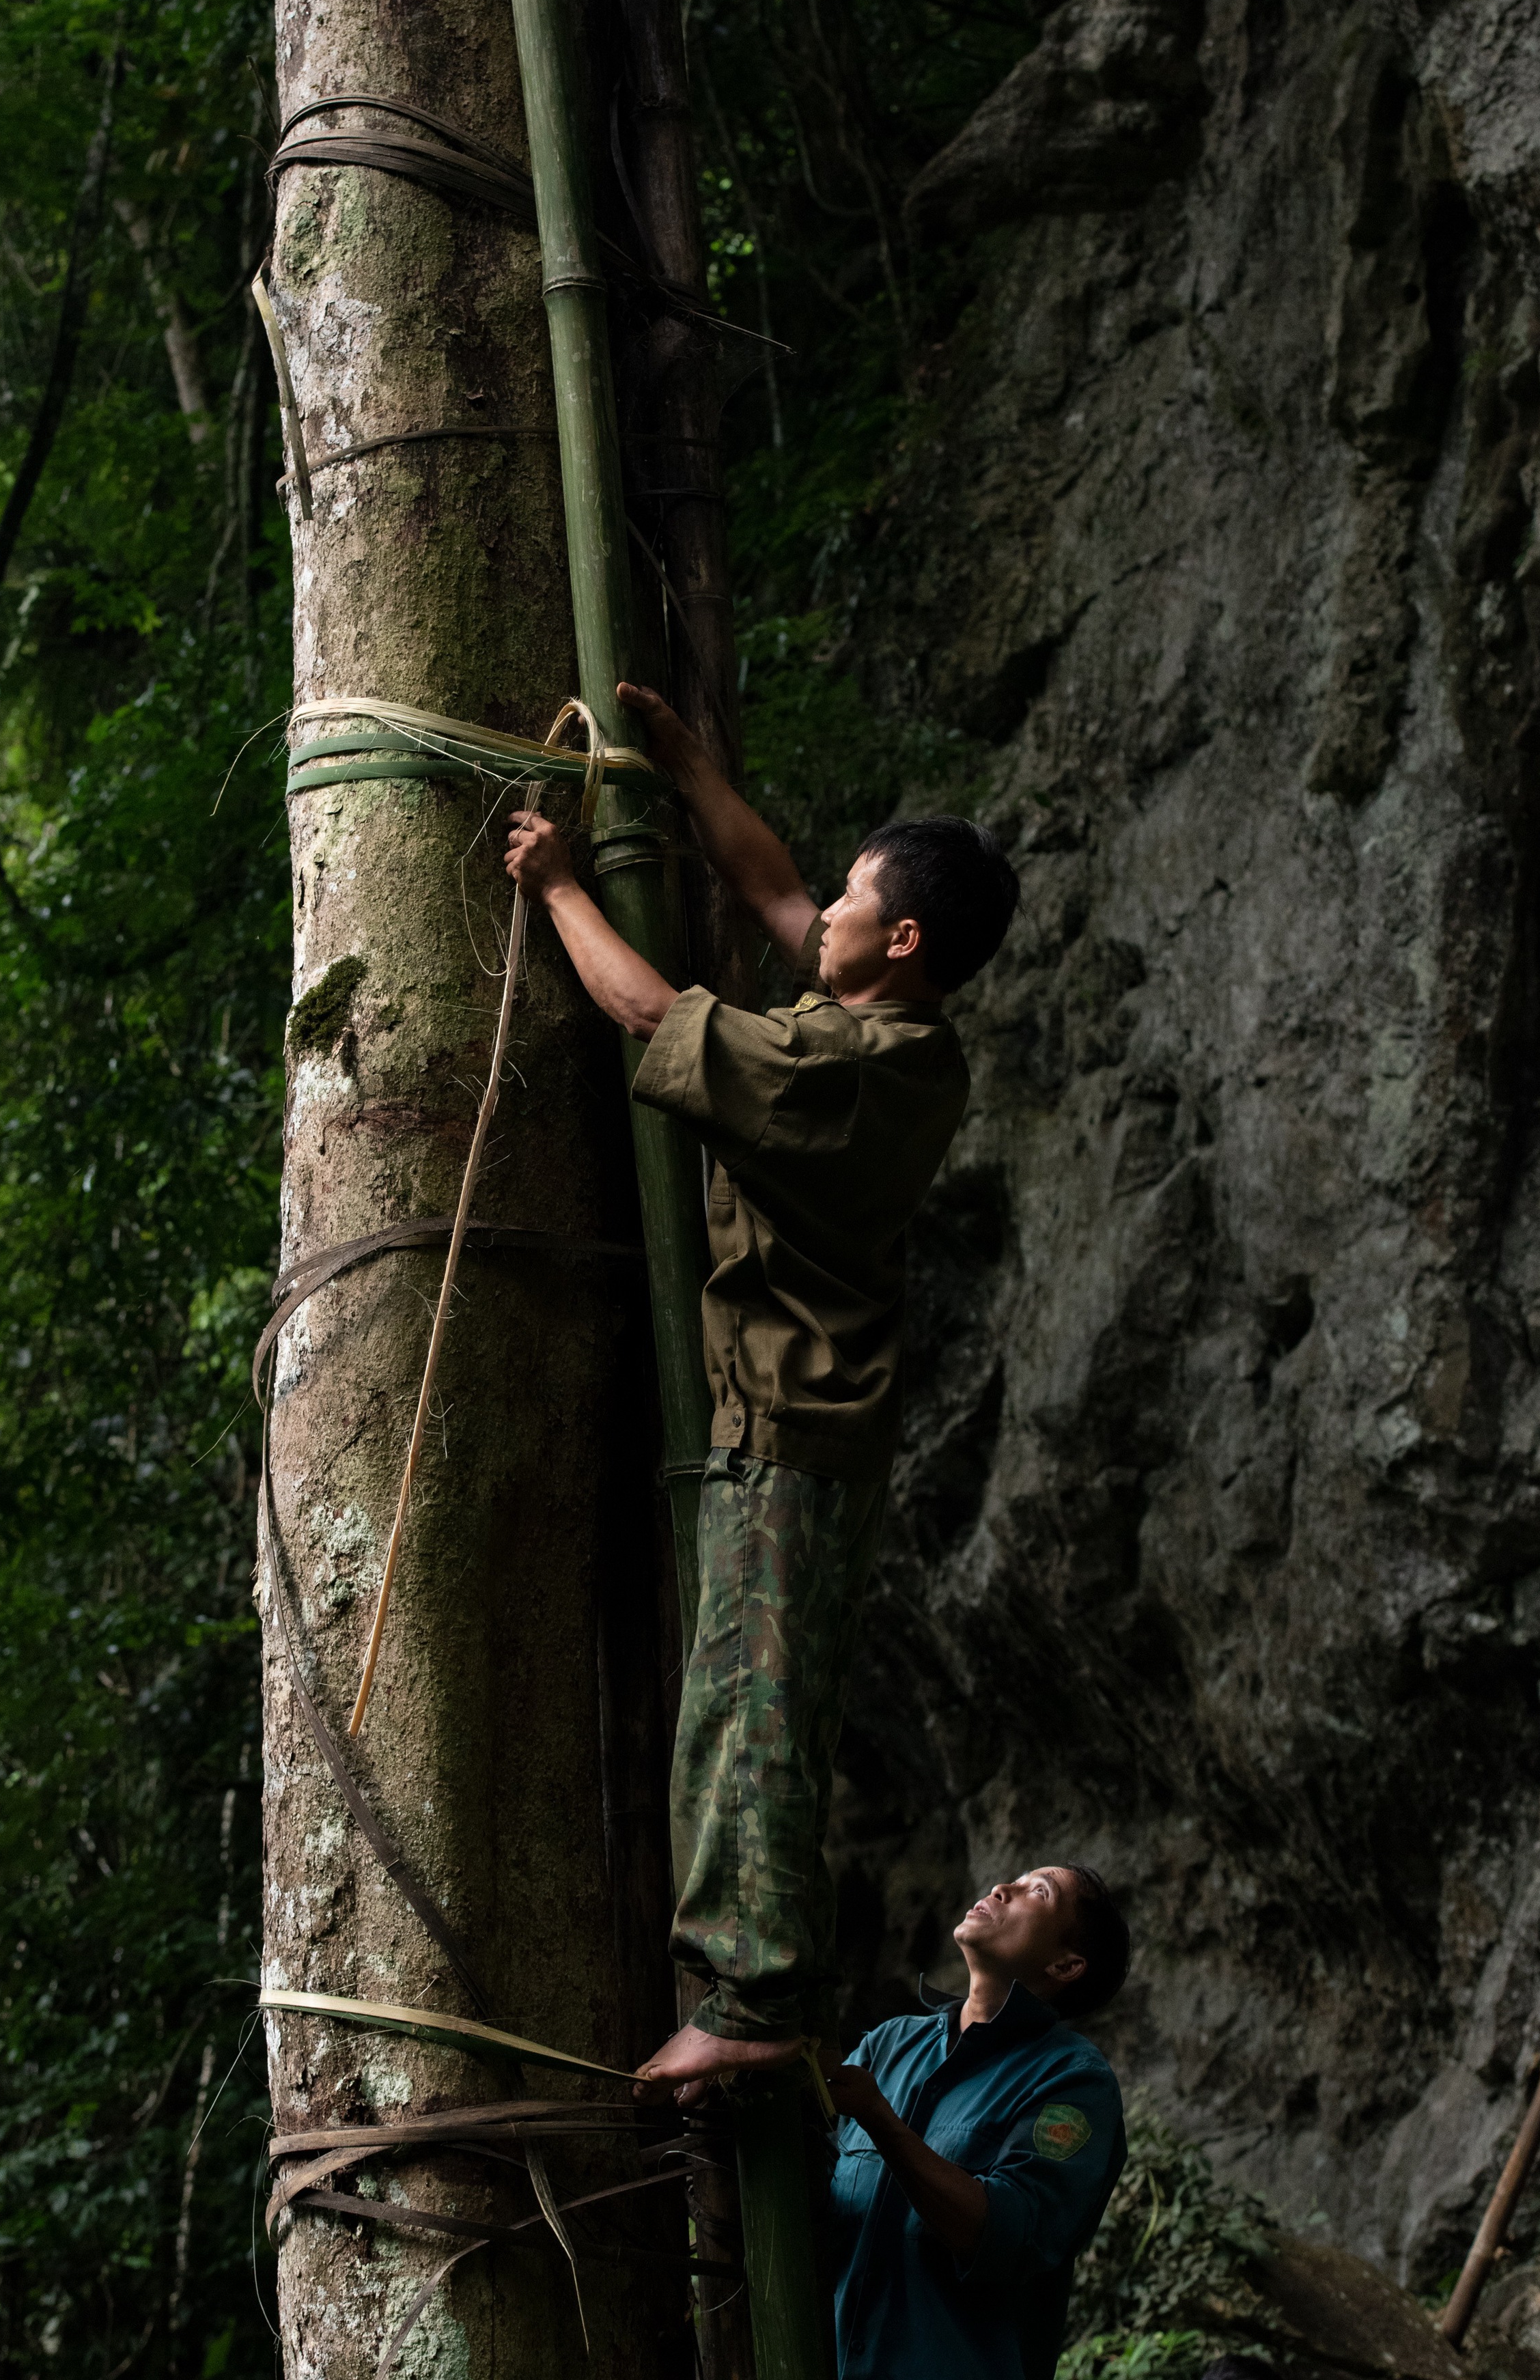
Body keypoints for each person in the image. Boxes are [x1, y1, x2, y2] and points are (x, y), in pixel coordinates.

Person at [503, 680, 1020, 2087]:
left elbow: (650, 1013)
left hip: (792, 1423)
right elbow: (774, 884)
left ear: (900, 942)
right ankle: (750, 1987)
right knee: (747, 1703)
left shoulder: (846, 1067)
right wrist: (681, 765)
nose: (824, 911)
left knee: (751, 1715)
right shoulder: (896, 1026)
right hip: (787, 1416)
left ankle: (754, 1997)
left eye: (859, 901)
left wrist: (554, 887)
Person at [830, 1864, 1130, 2380]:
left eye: (1039, 1891)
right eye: (1014, 1879)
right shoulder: (888, 2043)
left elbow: (1006, 2236)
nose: (1002, 1888)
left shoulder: (1074, 2084)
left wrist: (882, 2120)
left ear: (1065, 1965)